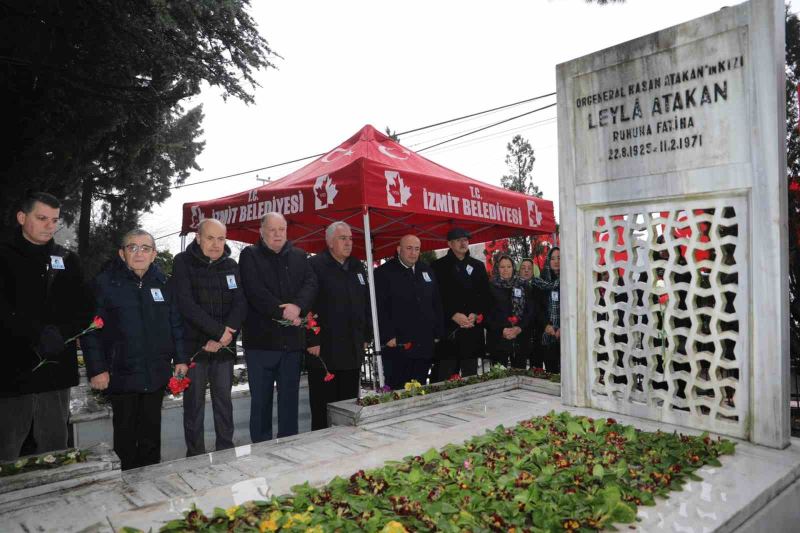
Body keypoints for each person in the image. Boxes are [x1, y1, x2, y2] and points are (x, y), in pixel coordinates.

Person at [0, 192, 94, 461]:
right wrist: (35, 333)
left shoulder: (67, 259)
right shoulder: (4, 256)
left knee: (54, 446)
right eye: (42, 218)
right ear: (21, 217)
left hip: (54, 368)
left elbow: (85, 307)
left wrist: (61, 334)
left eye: (54, 220)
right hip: (13, 370)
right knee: (7, 447)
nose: (49, 226)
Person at [82, 229, 186, 470]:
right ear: (122, 253)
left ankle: (151, 489)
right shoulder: (105, 284)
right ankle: (127, 488)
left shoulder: (164, 284)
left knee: (151, 437)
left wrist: (180, 359)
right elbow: (90, 331)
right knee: (126, 438)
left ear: (154, 254)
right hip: (122, 374)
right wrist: (97, 369)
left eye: (145, 248)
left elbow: (176, 324)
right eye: (133, 247)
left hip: (156, 373)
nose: (139, 253)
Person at [239, 212, 317, 443]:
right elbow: (254, 291)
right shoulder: (249, 255)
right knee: (261, 402)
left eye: (281, 229)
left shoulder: (300, 256)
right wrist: (283, 311)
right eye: (272, 230)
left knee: (289, 401)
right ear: (261, 232)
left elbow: (311, 284)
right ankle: (262, 449)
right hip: (261, 344)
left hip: (291, 344)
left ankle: (289, 444)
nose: (277, 234)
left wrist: (298, 306)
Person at [172, 218, 247, 456]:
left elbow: (240, 303)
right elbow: (185, 304)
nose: (216, 244)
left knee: (224, 402)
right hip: (195, 348)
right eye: (210, 238)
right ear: (198, 238)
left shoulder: (231, 265)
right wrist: (216, 333)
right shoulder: (182, 262)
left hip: (224, 346)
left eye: (221, 238)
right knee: (193, 406)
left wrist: (227, 334)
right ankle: (195, 456)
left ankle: (226, 451)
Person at [306, 222, 371, 430]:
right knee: (324, 406)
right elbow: (307, 305)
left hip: (352, 348)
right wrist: (312, 339)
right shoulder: (315, 266)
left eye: (350, 238)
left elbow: (366, 303)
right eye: (343, 238)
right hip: (325, 350)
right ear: (330, 242)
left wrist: (366, 336)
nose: (348, 242)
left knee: (349, 404)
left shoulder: (357, 267)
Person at [375, 235, 443, 389]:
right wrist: (387, 335)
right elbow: (379, 308)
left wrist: (438, 333)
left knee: (419, 389)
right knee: (398, 390)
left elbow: (436, 302)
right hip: (397, 346)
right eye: (409, 248)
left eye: (417, 249)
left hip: (424, 345)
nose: (413, 253)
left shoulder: (426, 270)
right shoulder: (383, 273)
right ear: (399, 249)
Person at [431, 228, 490, 381]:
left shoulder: (477, 266)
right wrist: (452, 314)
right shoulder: (438, 266)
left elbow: (485, 295)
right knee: (446, 377)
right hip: (449, 331)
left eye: (465, 240)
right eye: (459, 240)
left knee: (470, 377)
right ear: (449, 244)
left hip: (471, 330)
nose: (463, 243)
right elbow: (435, 298)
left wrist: (475, 314)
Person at [486, 254, 532, 369]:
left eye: (509, 266)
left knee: (520, 376)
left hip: (520, 338)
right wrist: (502, 330)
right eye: (502, 267)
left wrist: (519, 328)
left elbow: (530, 311)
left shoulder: (523, 285)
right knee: (499, 376)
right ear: (497, 268)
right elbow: (487, 315)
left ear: (513, 268)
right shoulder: (490, 286)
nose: (505, 270)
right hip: (498, 339)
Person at [533, 247, 562, 374]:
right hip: (547, 332)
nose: (556, 261)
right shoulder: (540, 281)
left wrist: (563, 327)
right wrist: (546, 326)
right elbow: (537, 308)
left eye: (559, 258)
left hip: (566, 332)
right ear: (548, 261)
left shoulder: (571, 280)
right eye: (553, 258)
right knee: (552, 372)